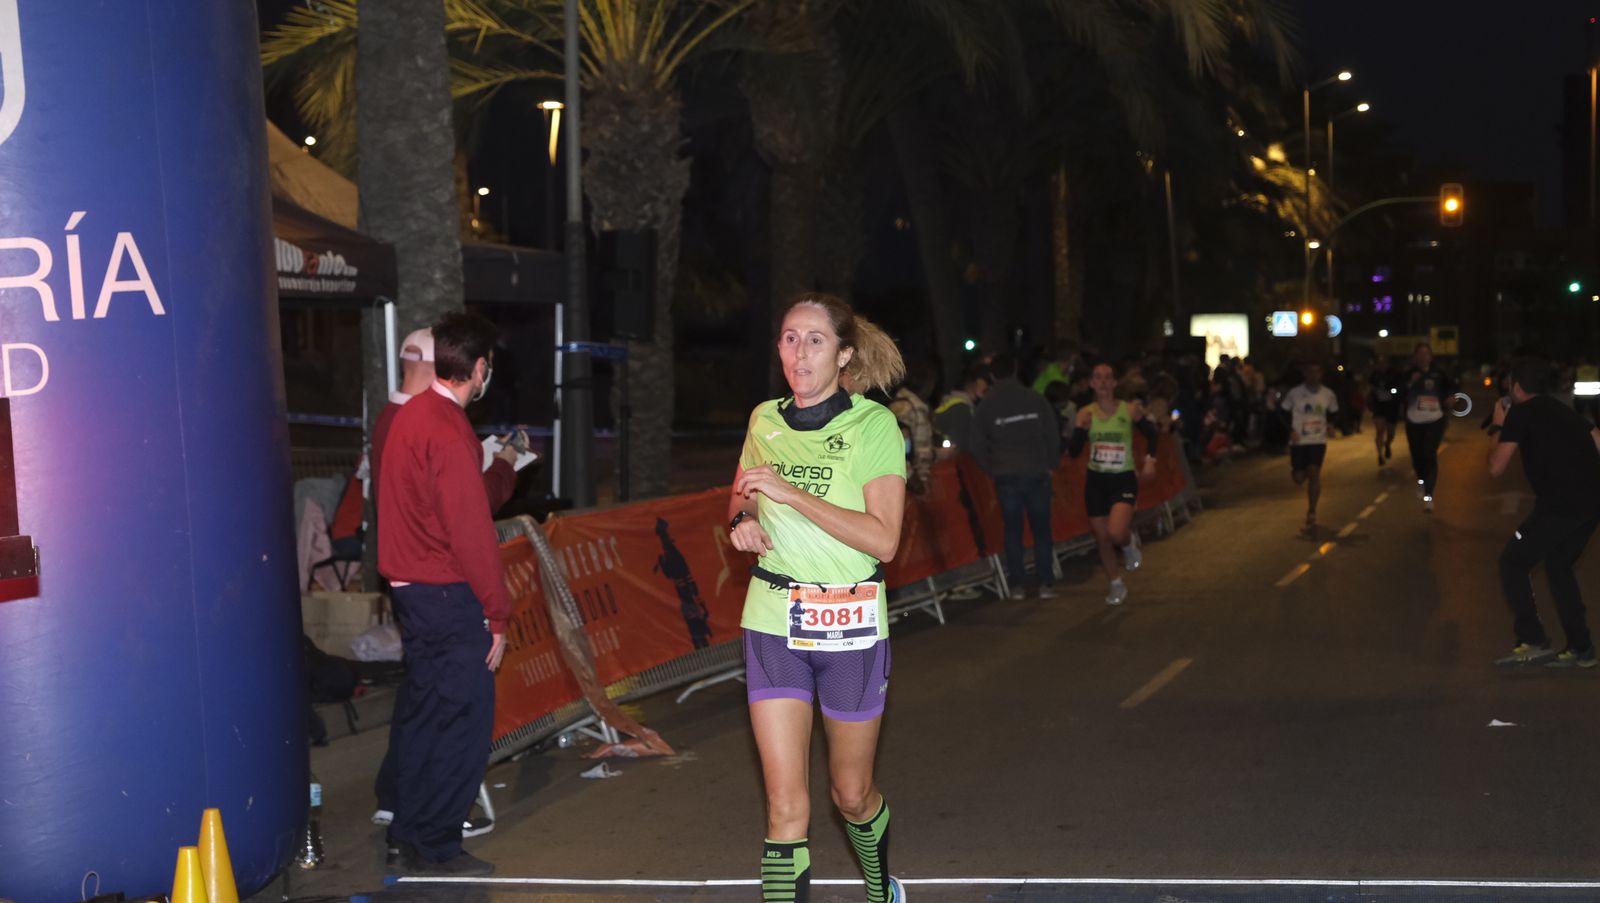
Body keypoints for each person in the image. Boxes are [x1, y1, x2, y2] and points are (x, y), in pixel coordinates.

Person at [729, 293, 908, 903]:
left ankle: (882, 888)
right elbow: (742, 498)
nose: (798, 352)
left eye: (814, 340)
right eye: (788, 338)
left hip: (851, 622)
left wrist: (791, 493)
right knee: (784, 806)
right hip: (774, 616)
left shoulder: (874, 426)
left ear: (844, 354)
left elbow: (884, 540)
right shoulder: (764, 420)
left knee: (851, 794)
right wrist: (742, 523)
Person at [378, 312, 513, 877]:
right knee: (464, 722)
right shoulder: (449, 430)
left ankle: (407, 829)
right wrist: (498, 613)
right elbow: (471, 529)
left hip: (412, 590)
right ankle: (436, 844)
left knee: (430, 713)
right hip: (446, 594)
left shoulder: (409, 417)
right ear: (478, 369)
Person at [1488, 357, 1600, 668]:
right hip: (1591, 504)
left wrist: (1499, 424)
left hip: (1560, 507)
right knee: (1558, 566)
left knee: (1512, 562)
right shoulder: (1559, 408)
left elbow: (1496, 467)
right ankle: (1581, 648)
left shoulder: (1519, 414)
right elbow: (1597, 438)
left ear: (1518, 388)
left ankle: (1533, 639)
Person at [1068, 362, 1158, 606]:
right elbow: (1074, 451)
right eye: (1098, 378)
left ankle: (1129, 544)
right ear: (1091, 384)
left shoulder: (1129, 410)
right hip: (1096, 481)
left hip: (1123, 478)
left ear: (1115, 383)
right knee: (1102, 538)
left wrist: (1150, 460)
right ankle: (1116, 584)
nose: (1104, 383)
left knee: (1116, 532)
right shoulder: (1085, 413)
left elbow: (1152, 433)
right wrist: (1079, 429)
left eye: (1108, 378)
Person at [973, 353, 1062, 599]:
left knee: (1013, 532)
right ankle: (1046, 583)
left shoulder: (987, 405)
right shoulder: (1035, 399)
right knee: (1042, 530)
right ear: (1015, 370)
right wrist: (1050, 463)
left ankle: (1017, 586)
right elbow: (1053, 434)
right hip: (1036, 473)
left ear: (992, 375)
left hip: (1006, 476)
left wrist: (991, 467)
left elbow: (976, 442)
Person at [1282, 362, 1339, 529]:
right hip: (1299, 441)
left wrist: (1331, 425)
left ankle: (1312, 510)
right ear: (1305, 374)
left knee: (1314, 473)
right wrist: (1290, 431)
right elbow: (1283, 411)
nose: (1313, 376)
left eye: (1317, 372)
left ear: (1321, 374)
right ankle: (1301, 472)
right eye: (1310, 372)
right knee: (1299, 478)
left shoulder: (1328, 394)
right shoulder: (1295, 393)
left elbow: (1335, 412)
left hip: (1318, 440)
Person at [1404, 343, 1455, 512]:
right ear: (1415, 357)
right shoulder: (1408, 374)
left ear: (1431, 356)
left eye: (1426, 353)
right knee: (1417, 456)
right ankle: (1421, 480)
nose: (1423, 356)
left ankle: (1429, 495)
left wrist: (1450, 399)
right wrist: (1409, 384)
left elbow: (1452, 390)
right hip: (1414, 421)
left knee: (1429, 454)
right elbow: (1398, 393)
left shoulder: (1439, 374)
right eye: (1420, 353)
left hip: (1435, 420)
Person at [889, 358, 936, 494]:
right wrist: (918, 483)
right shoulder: (912, 408)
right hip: (911, 482)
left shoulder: (901, 404)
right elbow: (912, 450)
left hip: (907, 480)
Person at [933, 360, 990, 454]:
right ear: (979, 382)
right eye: (987, 382)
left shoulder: (953, 403)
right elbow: (960, 448)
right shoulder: (961, 409)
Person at [1367, 358, 1403, 469]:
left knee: (1391, 433)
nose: (1381, 365)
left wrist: (1393, 392)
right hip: (1379, 408)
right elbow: (1370, 388)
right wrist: (1374, 393)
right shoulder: (1375, 375)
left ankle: (1387, 444)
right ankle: (1380, 455)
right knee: (1379, 431)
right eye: (1380, 363)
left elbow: (1399, 388)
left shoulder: (1394, 374)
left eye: (1384, 363)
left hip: (1391, 407)